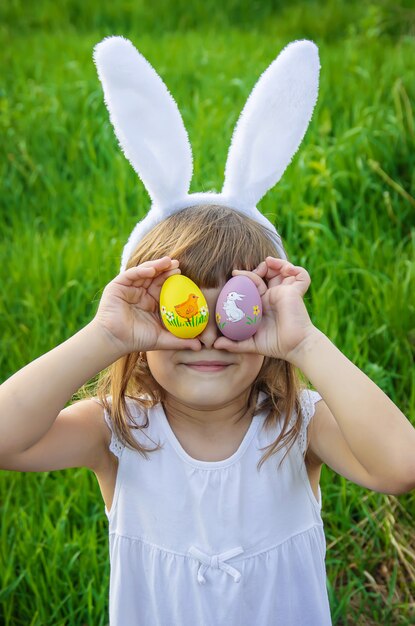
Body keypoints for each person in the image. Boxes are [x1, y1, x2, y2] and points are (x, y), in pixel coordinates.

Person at [2, 36, 414, 625]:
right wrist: (105, 336)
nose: (209, 338)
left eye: (237, 311)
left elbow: (401, 466)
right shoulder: (118, 430)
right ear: (147, 328)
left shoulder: (298, 427)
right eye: (184, 308)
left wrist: (303, 344)